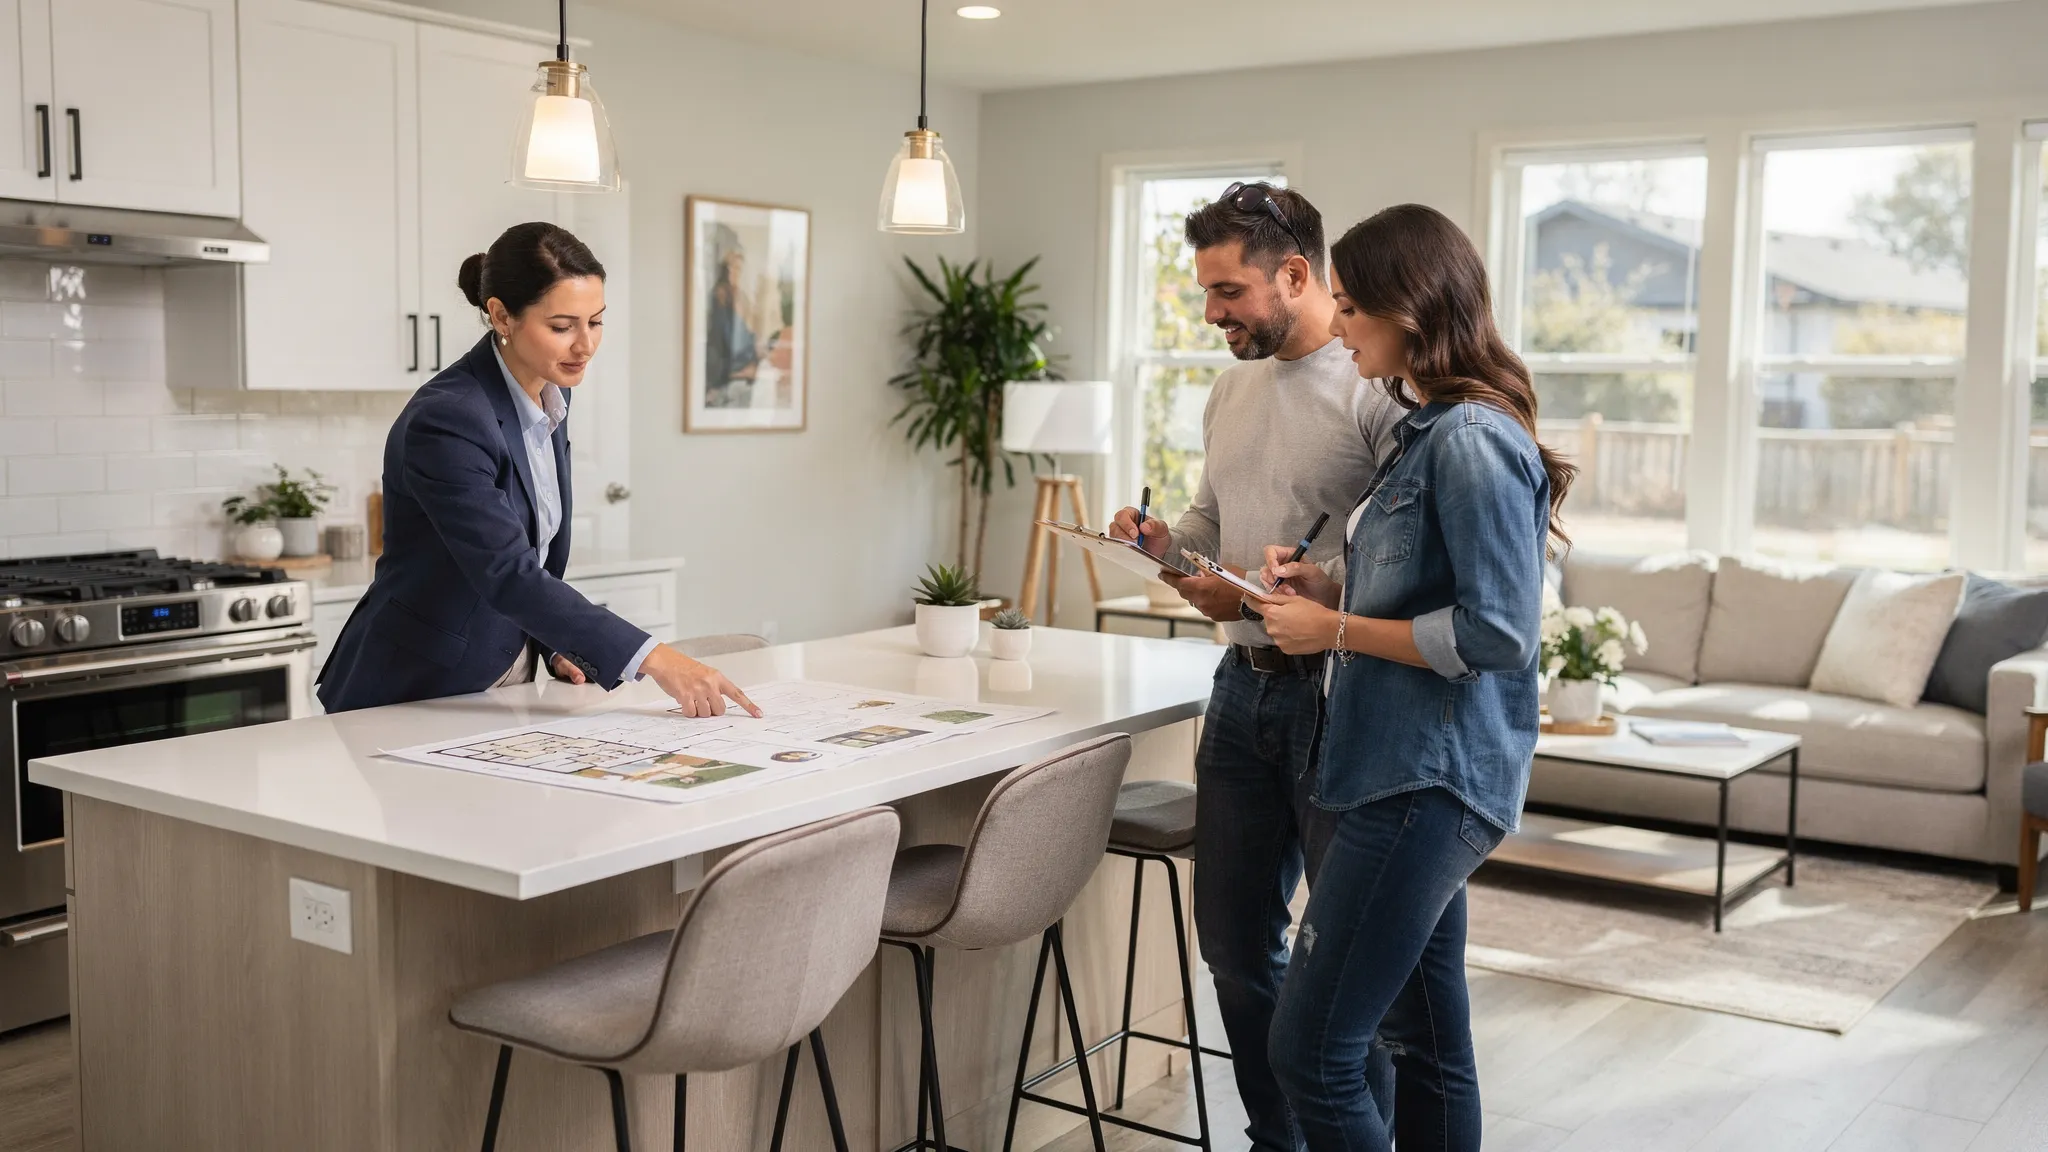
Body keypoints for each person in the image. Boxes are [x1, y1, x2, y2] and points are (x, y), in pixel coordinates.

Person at [1255, 204, 1573, 1151]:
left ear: (1409, 308)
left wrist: (1333, 628)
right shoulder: (1429, 430)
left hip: (1427, 782)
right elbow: (1428, 578)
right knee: (1425, 1041)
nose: (1340, 327)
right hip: (1404, 771)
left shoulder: (1472, 438)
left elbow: (1500, 631)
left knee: (1310, 1049)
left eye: (1352, 308)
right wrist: (1333, 584)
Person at [1108, 182, 1402, 1152]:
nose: (1211, 314)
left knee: (1343, 968)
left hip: (1341, 702)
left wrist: (1309, 596)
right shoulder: (1231, 388)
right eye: (1204, 292)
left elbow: (1405, 555)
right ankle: (1275, 1139)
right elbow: (1208, 526)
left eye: (1227, 291)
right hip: (1237, 696)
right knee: (1234, 952)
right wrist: (1161, 545)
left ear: (1294, 274)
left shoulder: (1377, 390)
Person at [318, 222, 756, 719]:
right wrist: (656, 659)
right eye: (562, 326)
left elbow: (537, 554)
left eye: (596, 322)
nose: (585, 345)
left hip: (501, 687)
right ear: (502, 316)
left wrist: (556, 643)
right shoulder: (449, 418)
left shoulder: (551, 392)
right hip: (415, 691)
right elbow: (506, 571)